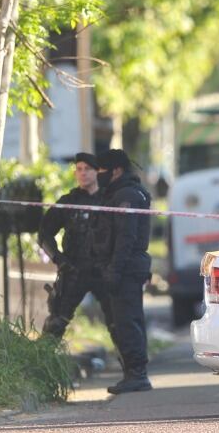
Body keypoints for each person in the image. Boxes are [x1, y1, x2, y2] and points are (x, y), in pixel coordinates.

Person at [89, 148, 153, 394]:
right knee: (125, 321)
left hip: (125, 269)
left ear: (116, 170)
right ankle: (133, 372)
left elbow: (126, 237)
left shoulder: (126, 195)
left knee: (127, 322)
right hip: (124, 268)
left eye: (102, 171)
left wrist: (115, 270)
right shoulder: (120, 193)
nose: (99, 175)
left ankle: (137, 374)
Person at [39, 153, 114, 340]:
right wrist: (58, 258)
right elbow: (44, 233)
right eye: (79, 169)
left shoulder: (109, 201)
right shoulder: (68, 202)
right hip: (74, 269)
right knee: (56, 323)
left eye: (87, 169)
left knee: (118, 322)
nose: (83, 173)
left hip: (103, 270)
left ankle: (131, 366)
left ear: (97, 172)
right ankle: (43, 363)